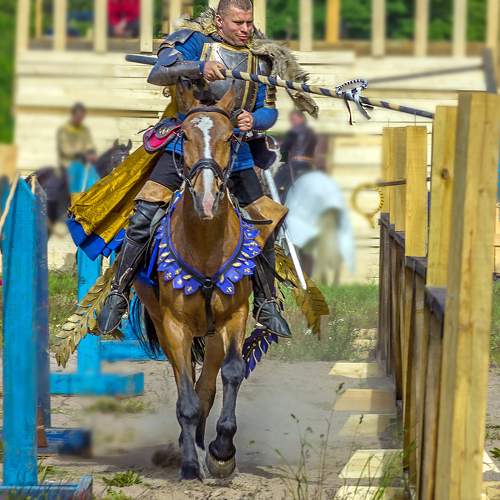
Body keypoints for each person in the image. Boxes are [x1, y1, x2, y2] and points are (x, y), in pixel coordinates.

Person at [98, 0, 293, 338]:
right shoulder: (193, 41)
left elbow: (269, 109)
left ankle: (266, 301)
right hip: (184, 145)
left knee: (264, 220)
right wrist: (197, 67)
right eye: (238, 22)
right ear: (219, 21)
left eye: (249, 22)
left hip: (233, 150)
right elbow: (158, 73)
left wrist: (254, 119)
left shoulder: (260, 59)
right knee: (144, 214)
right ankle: (118, 294)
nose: (245, 29)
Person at [274, 110, 317, 202]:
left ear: (302, 119)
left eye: (294, 119)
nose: (292, 122)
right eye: (291, 120)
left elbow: (284, 149)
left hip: (294, 164)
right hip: (308, 165)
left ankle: (277, 203)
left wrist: (282, 163)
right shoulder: (312, 132)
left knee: (275, 183)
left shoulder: (294, 131)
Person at [57, 103, 97, 169]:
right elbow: (65, 150)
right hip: (67, 164)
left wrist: (92, 153)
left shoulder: (85, 129)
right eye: (78, 117)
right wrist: (83, 155)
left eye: (82, 117)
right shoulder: (63, 130)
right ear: (73, 115)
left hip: (84, 164)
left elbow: (89, 144)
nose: (80, 119)